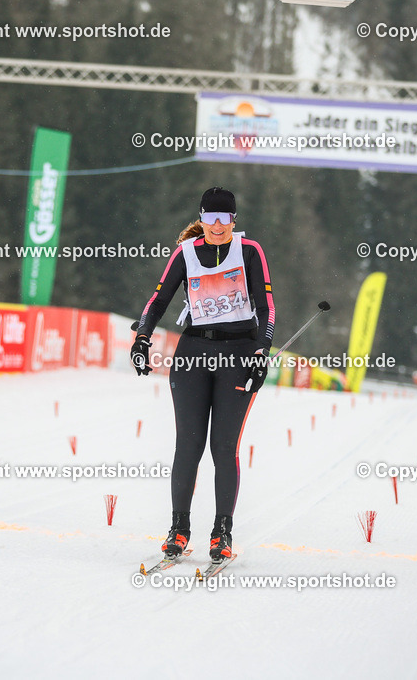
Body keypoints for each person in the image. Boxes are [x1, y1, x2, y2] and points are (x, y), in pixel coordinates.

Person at [130, 186, 275, 562]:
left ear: (233, 220)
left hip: (239, 355)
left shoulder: (249, 251)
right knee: (188, 446)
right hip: (193, 353)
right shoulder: (186, 253)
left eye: (224, 218)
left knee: (223, 448)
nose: (217, 226)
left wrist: (262, 351)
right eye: (210, 218)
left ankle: (221, 532)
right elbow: (158, 299)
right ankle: (179, 530)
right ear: (202, 218)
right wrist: (142, 338)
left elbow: (267, 307)